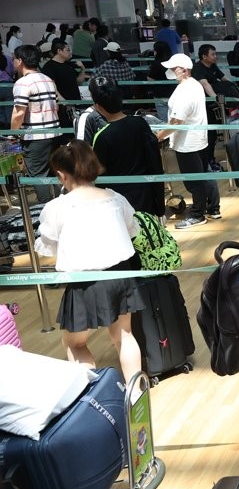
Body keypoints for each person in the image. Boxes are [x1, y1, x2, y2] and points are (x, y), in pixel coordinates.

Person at [34, 141, 144, 379]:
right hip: (120, 275)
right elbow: (132, 230)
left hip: (83, 282)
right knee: (124, 335)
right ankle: (138, 398)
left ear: (62, 176)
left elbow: (47, 246)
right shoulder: (115, 198)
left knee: (75, 343)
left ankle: (91, 400)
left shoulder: (56, 207)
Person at [155, 53, 221, 229]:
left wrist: (160, 135)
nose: (169, 71)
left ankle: (197, 214)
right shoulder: (194, 85)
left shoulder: (185, 90)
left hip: (187, 143)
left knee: (194, 181)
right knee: (203, 175)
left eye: (173, 68)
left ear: (183, 69)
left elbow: (177, 120)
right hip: (198, 138)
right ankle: (212, 207)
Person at [89, 78, 165, 217]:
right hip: (145, 193)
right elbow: (154, 159)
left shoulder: (102, 136)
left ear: (97, 106)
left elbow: (99, 172)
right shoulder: (140, 123)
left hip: (118, 199)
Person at [10, 44, 61, 203]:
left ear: (20, 61)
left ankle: (45, 209)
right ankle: (61, 208)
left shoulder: (23, 83)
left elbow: (19, 113)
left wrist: (13, 134)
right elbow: (56, 106)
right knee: (54, 173)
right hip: (54, 132)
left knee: (38, 175)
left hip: (36, 137)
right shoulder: (48, 79)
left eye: (14, 59)